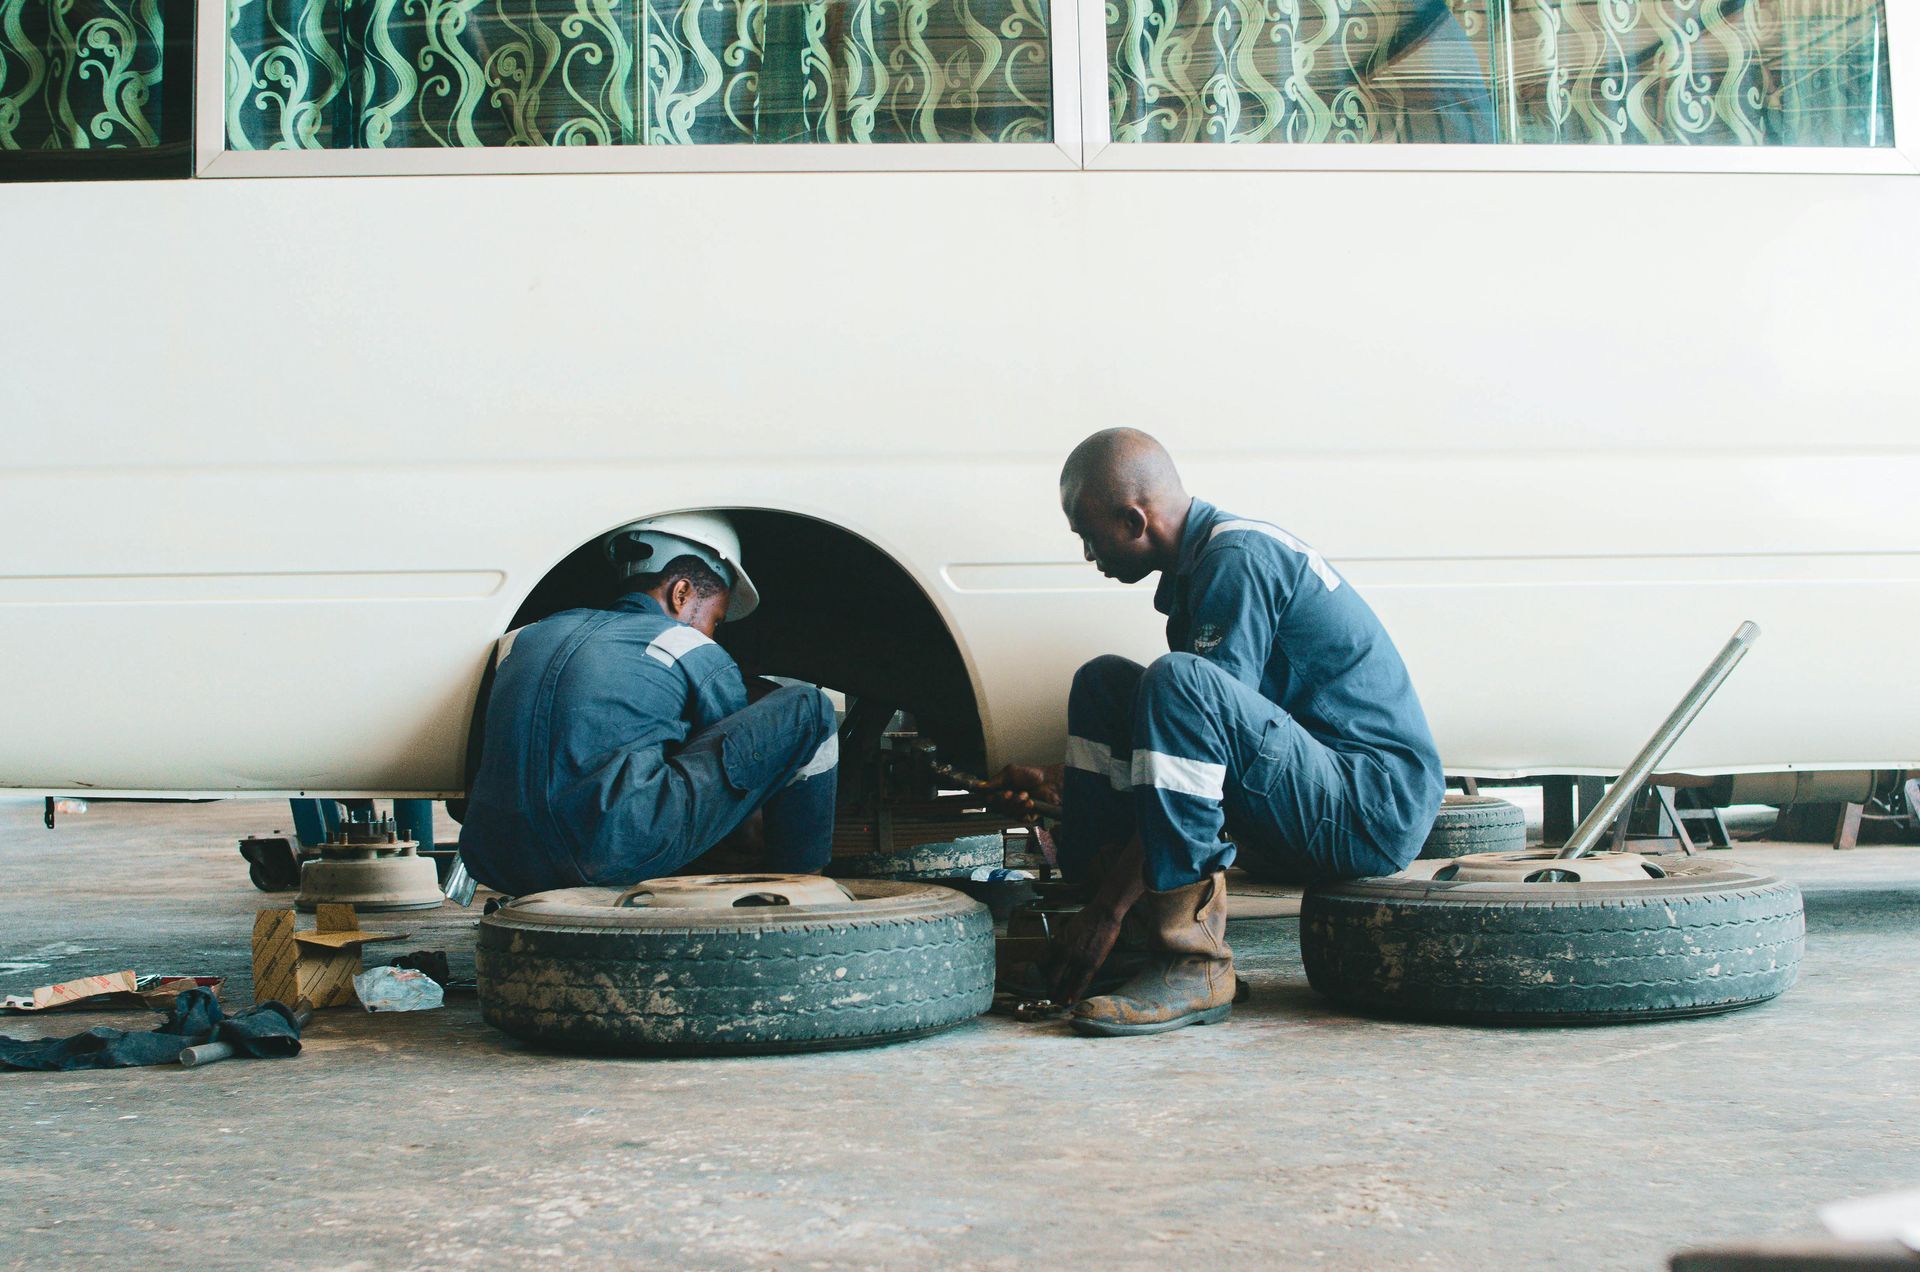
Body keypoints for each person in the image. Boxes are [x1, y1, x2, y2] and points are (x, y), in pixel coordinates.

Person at [994, 430, 1443, 1036]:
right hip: (1314, 790)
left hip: (1371, 805)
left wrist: (1104, 911)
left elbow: (1199, 735)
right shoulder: (1202, 563)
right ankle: (1133, 947)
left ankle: (1192, 961)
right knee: (1103, 684)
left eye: (1088, 535)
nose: (1087, 554)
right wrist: (1061, 788)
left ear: (1134, 520)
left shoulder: (1237, 561)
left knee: (1180, 683)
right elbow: (1191, 758)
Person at [457, 512, 839, 897]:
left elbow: (475, 765)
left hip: (497, 857)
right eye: (716, 620)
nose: (714, 633)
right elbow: (739, 775)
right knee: (810, 708)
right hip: (611, 851)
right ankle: (803, 896)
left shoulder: (523, 638)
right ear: (682, 593)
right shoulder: (688, 644)